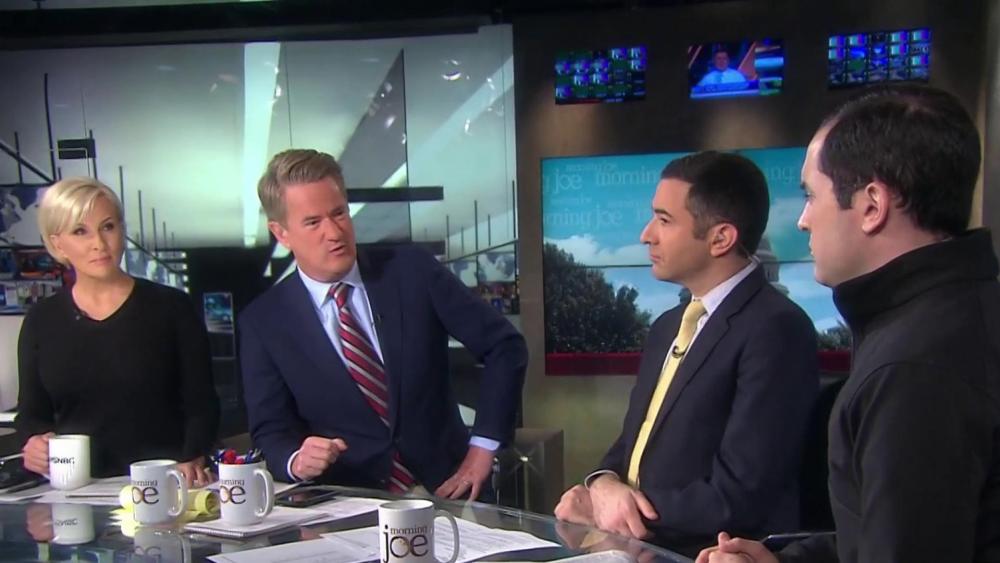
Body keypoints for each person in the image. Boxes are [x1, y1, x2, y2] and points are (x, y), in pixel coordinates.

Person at [696, 85, 1000, 563]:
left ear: (872, 205)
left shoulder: (914, 368)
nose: (803, 220)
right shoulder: (947, 317)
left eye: (810, 195)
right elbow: (889, 533)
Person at [555, 151, 819, 552]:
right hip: (638, 551)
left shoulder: (777, 328)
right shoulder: (667, 327)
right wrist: (602, 483)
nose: (646, 234)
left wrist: (613, 511)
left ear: (720, 238)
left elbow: (741, 494)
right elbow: (633, 445)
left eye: (664, 220)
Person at [239, 149, 527, 499]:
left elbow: (504, 346)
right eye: (313, 222)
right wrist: (296, 460)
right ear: (281, 233)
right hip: (351, 506)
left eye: (339, 213)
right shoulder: (264, 322)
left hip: (451, 489)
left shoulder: (412, 271)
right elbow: (270, 432)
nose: (334, 232)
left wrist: (483, 446)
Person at [16, 178, 218, 485]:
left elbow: (202, 403)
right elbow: (31, 415)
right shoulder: (41, 320)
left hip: (164, 482)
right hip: (76, 487)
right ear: (57, 244)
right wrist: (33, 443)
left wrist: (193, 456)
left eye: (108, 227)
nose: (99, 243)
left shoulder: (172, 308)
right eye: (80, 231)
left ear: (122, 230)